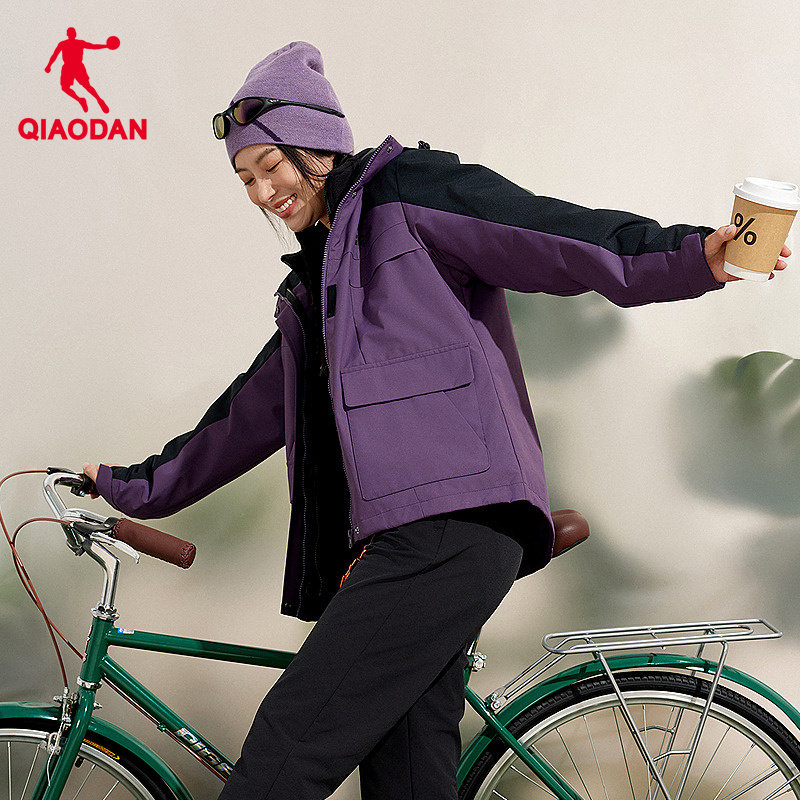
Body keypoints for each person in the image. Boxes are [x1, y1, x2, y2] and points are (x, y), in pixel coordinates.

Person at [82, 41, 791, 800]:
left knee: (289, 750)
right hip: (412, 539)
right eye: (245, 179)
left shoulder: (408, 196)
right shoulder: (318, 289)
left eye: (271, 165)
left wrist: (691, 257)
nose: (262, 192)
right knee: (408, 777)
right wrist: (129, 486)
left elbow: (550, 234)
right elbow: (242, 419)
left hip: (452, 521)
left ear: (316, 142)